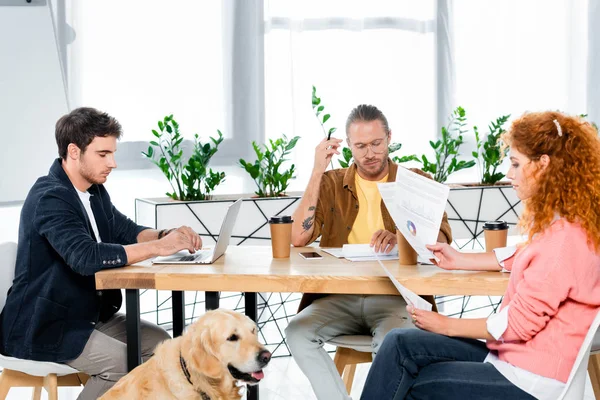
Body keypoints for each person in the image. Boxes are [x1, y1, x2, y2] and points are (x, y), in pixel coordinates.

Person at [361, 111, 600, 400]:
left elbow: (517, 325)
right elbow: (527, 254)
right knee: (400, 343)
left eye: (515, 164)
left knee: (410, 381)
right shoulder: (570, 227)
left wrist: (445, 324)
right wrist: (459, 259)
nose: (509, 174)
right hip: (513, 359)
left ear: (543, 165)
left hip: (529, 379)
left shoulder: (564, 242)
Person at [0, 107, 204, 400]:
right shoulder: (50, 197)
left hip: (89, 314)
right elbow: (85, 257)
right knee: (123, 363)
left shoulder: (93, 191)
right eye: (103, 154)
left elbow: (126, 230)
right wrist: (160, 248)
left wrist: (167, 235)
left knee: (162, 346)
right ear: (74, 151)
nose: (113, 163)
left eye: (113, 153)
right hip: (45, 324)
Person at [286, 104, 453, 400]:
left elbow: (442, 243)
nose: (369, 153)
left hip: (394, 298)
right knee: (298, 332)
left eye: (376, 143)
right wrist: (316, 171)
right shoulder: (331, 183)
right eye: (360, 146)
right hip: (339, 297)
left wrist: (403, 234)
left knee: (394, 344)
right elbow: (298, 237)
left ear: (389, 137)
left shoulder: (415, 181)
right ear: (348, 146)